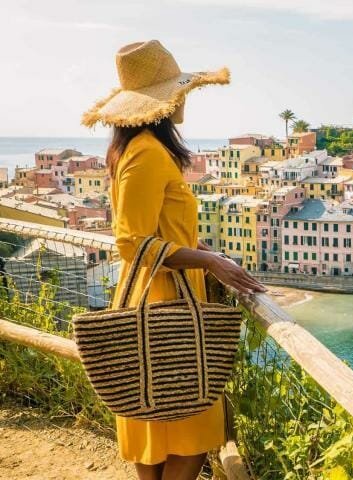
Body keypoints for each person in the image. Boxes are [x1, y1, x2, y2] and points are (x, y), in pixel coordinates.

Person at [82, 40, 265, 480]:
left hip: (156, 297)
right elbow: (130, 241)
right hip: (163, 300)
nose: (183, 99)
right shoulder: (146, 153)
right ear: (162, 102)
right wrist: (209, 263)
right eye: (177, 91)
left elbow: (161, 228)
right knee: (192, 429)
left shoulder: (142, 149)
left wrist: (202, 251)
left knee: (156, 425)